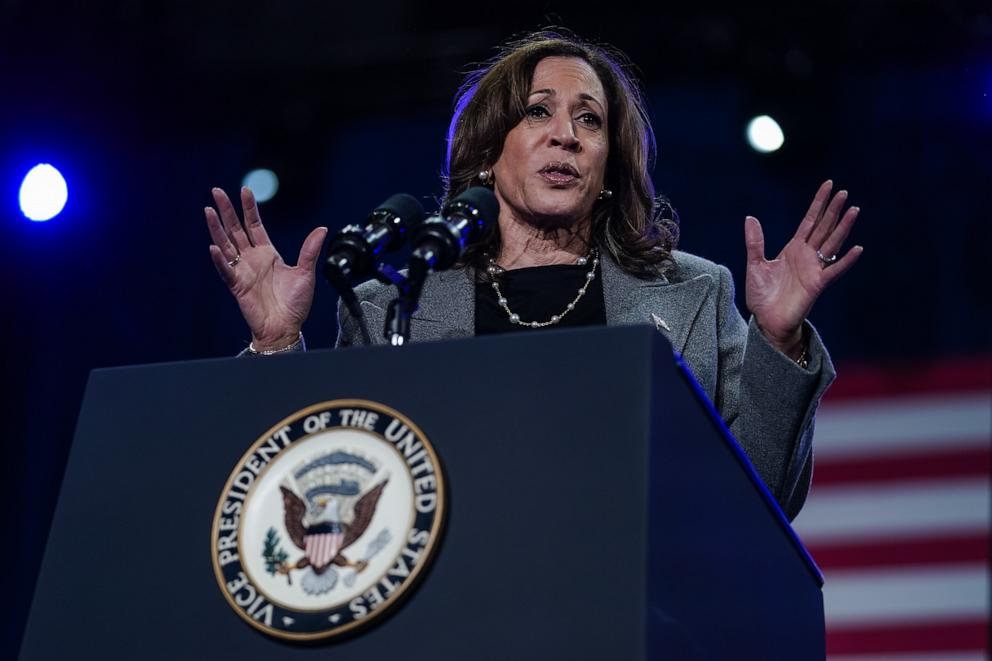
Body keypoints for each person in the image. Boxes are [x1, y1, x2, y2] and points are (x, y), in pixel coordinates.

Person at [203, 30, 861, 520]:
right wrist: (274, 346)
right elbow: (327, 490)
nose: (565, 135)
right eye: (538, 111)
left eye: (589, 119)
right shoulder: (391, 305)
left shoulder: (694, 292)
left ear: (609, 166)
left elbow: (761, 501)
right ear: (488, 151)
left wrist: (775, 340)